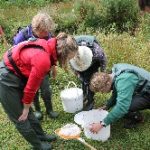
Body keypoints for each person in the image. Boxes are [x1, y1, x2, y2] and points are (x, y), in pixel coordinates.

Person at [0, 32, 78, 149]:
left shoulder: (47, 45)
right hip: (5, 79)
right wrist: (26, 107)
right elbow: (31, 88)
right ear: (63, 53)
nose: (68, 61)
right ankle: (38, 145)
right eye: (69, 58)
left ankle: (41, 136)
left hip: (16, 75)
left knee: (28, 112)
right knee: (21, 116)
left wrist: (27, 107)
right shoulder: (43, 60)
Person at [13, 12, 58, 119]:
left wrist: (53, 67)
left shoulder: (47, 35)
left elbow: (52, 52)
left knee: (46, 90)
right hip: (28, 71)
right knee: (33, 90)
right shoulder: (22, 35)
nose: (47, 34)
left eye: (48, 31)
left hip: (43, 69)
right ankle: (38, 111)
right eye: (44, 31)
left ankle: (50, 110)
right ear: (37, 28)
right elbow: (15, 54)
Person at [89, 63, 150, 133]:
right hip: (144, 89)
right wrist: (107, 105)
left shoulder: (124, 80)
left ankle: (138, 118)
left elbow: (122, 107)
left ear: (108, 84)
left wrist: (102, 124)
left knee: (124, 108)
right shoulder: (115, 73)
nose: (102, 93)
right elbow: (117, 90)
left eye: (102, 90)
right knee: (120, 103)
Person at [69, 35, 107, 111]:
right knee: (84, 80)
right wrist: (79, 75)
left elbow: (103, 61)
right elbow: (72, 66)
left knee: (91, 80)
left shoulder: (97, 52)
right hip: (78, 60)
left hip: (93, 62)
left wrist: (102, 73)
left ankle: (90, 100)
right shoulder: (71, 53)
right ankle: (84, 96)